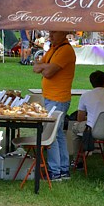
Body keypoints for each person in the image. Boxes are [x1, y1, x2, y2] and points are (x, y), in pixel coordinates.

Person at [33, 30, 76, 181]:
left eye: (53, 33)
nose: (50, 36)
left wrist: (44, 67)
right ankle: (63, 169)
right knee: (58, 134)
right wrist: (45, 66)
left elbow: (48, 72)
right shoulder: (53, 48)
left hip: (58, 98)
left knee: (51, 134)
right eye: (50, 33)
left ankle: (55, 171)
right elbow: (35, 67)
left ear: (63, 34)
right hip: (51, 97)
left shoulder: (65, 50)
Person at [74, 70, 104, 160]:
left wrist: (89, 117)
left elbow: (80, 118)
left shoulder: (85, 96)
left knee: (75, 128)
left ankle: (77, 160)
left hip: (92, 130)